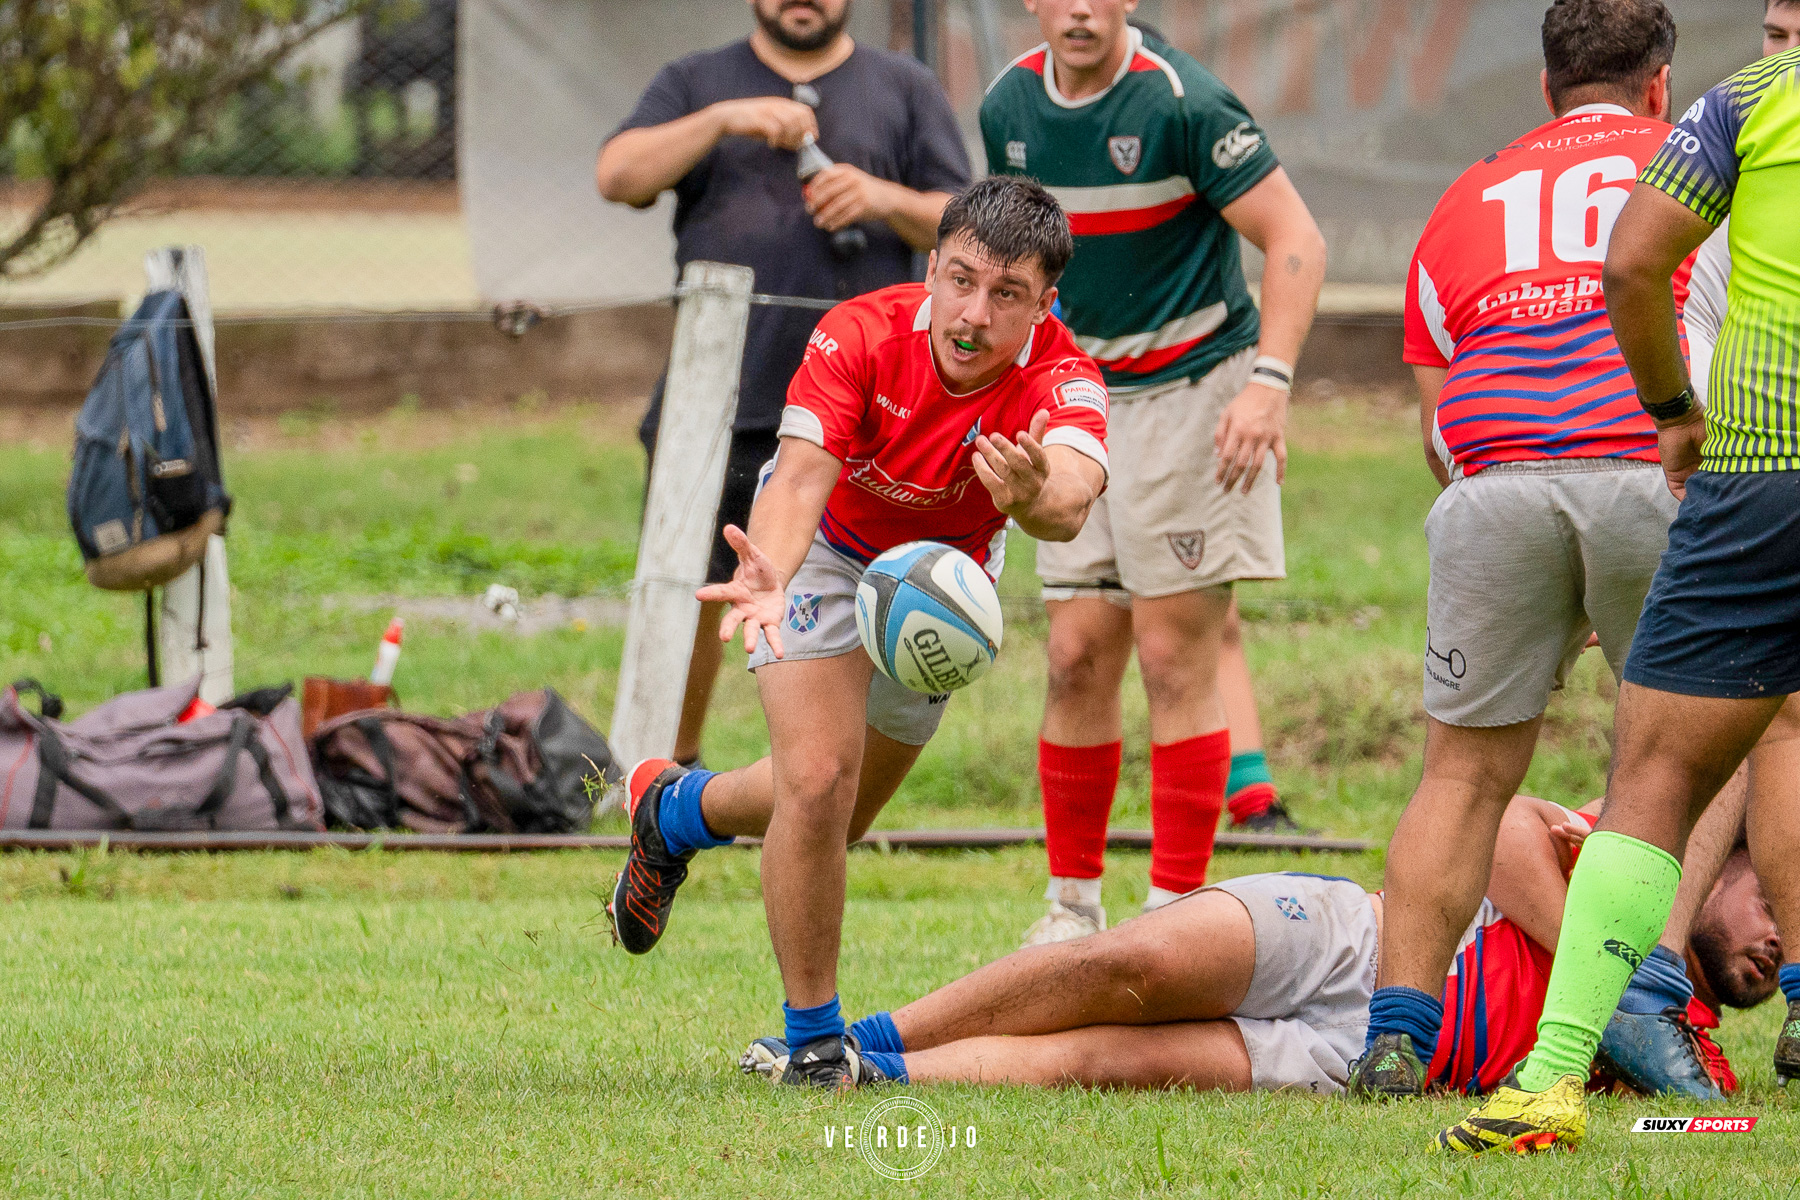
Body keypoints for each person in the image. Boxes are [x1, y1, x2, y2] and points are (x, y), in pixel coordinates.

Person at [605, 177, 1112, 1088]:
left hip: (938, 591)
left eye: (1007, 295)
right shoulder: (859, 333)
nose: (973, 313)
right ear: (931, 267)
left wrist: (1035, 495)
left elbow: (1071, 496)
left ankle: (672, 812)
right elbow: (799, 477)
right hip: (819, 554)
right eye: (959, 279)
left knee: (832, 818)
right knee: (816, 776)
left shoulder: (1064, 373)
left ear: (1045, 303)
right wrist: (772, 566)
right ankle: (813, 1045)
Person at [1436, 34, 1800, 1154]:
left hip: (1759, 473)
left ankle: (1551, 1079)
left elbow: (1634, 264)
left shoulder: (1747, 105)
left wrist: (1673, 412)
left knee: (1657, 772)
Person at [1350, 0, 1718, 1102]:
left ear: (1547, 90)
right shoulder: (1699, 161)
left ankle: (1397, 1038)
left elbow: (1434, 432)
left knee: (1459, 776)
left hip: (1490, 486)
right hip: (1650, 465)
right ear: (1662, 85)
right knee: (1711, 750)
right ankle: (1661, 1001)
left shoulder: (1465, 196)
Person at [980, 0, 1327, 946]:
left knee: (1175, 655)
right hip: (1074, 403)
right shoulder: (1007, 106)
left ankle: (1171, 913)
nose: (1082, 8)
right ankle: (1070, 913)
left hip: (1190, 394)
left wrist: (1269, 384)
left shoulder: (1186, 103)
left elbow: (1298, 240)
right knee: (1075, 654)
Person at [734, 794, 1779, 1095]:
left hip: (1356, 1069)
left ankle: (872, 1081)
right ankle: (849, 1039)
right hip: (1357, 946)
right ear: (1725, 865)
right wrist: (1609, 975)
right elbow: (1500, 831)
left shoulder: (1692, 1044)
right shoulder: (1615, 870)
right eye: (1774, 904)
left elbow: (1699, 1127)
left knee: (1106, 1063)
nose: (1776, 943)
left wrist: (1653, 1046)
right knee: (1116, 969)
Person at [595, 0, 970, 767]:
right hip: (721, 393)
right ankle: (666, 774)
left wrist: (881, 198)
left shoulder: (903, 87)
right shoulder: (699, 80)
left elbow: (964, 223)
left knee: (866, 595)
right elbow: (617, 174)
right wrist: (721, 120)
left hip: (868, 405)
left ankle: (833, 779)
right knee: (689, 588)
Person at [1675, 0, 1800, 403]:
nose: (1787, 57)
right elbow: (1637, 270)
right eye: (1776, 36)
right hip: (1761, 429)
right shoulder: (1725, 133)